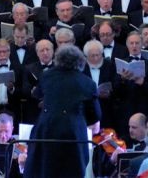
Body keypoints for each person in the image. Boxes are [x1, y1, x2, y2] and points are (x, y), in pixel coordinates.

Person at [23, 44, 100, 178]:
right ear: (80, 62)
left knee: (44, 170)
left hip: (47, 131)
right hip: (73, 135)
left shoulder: (46, 76)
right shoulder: (88, 83)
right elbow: (95, 115)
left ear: (58, 59)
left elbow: (37, 94)